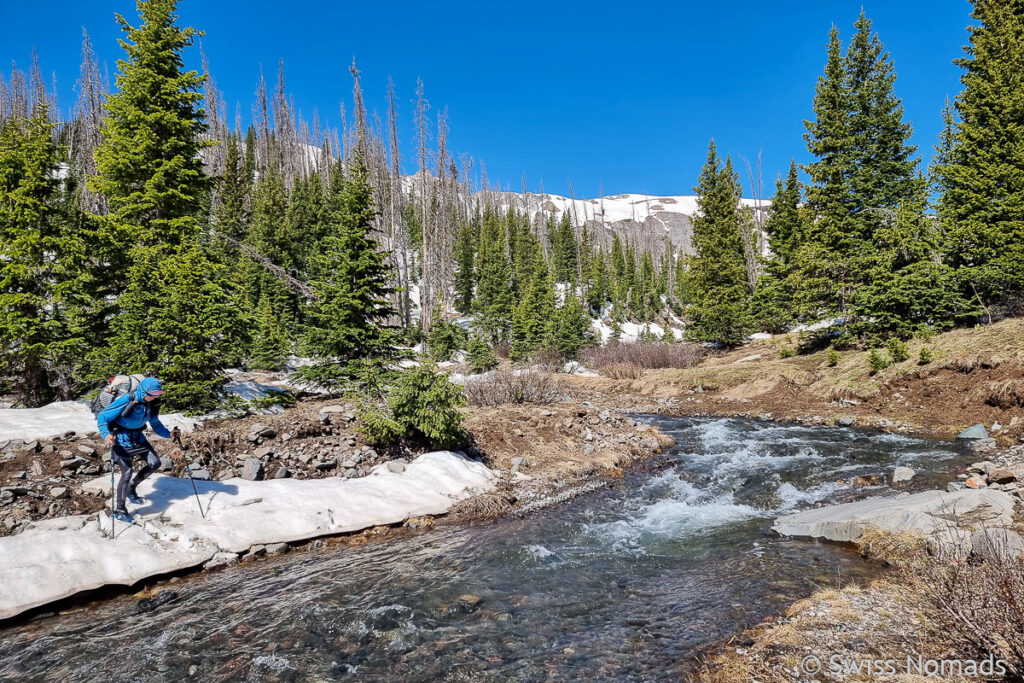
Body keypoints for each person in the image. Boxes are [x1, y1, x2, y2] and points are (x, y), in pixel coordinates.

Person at [96, 376, 172, 523]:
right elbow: (103, 417)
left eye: (157, 394)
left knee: (155, 463)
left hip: (138, 439)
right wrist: (106, 435)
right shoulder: (126, 400)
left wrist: (169, 434)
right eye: (152, 394)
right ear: (143, 391)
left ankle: (132, 487)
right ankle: (119, 510)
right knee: (127, 472)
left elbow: (155, 424)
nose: (155, 397)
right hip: (120, 440)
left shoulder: (152, 404)